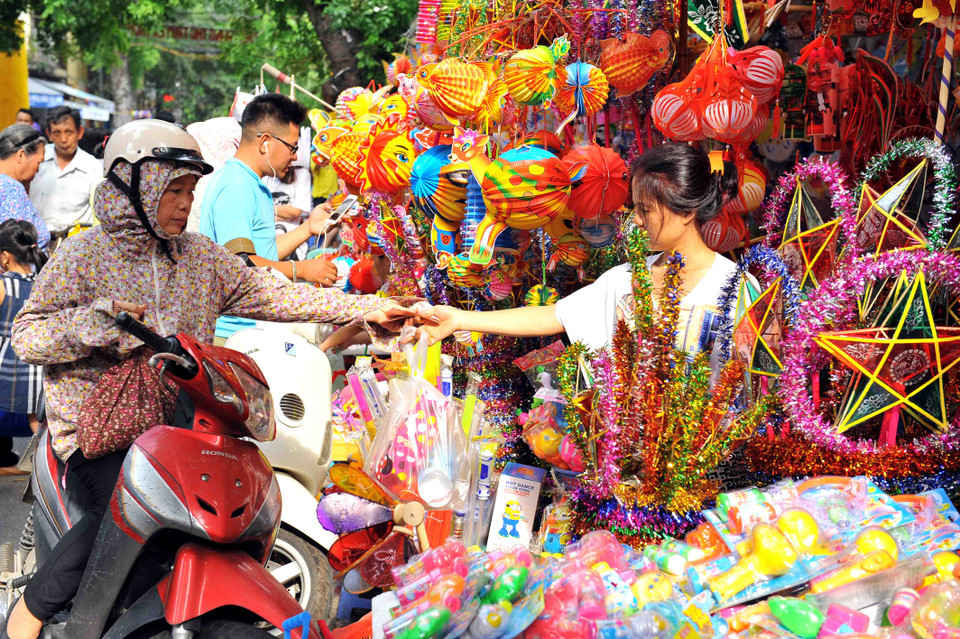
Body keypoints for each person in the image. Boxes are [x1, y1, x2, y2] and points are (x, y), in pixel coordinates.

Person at [2, 119, 420, 639]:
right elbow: (27, 336)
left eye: (189, 191)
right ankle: (35, 609)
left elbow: (278, 296)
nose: (184, 203)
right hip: (98, 431)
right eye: (172, 190)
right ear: (135, 185)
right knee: (130, 500)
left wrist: (371, 309)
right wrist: (95, 324)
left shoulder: (200, 259)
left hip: (186, 428)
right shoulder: (83, 256)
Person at [420, 143, 747, 376]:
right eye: (635, 208)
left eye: (645, 209)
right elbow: (555, 315)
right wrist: (460, 319)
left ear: (687, 211)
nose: (635, 221)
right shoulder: (627, 279)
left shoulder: (736, 288)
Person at [200, 93, 340, 342]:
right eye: (292, 147)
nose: (295, 156)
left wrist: (309, 227)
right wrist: (301, 270)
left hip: (253, 325)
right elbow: (242, 264)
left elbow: (263, 254)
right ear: (265, 141)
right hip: (235, 333)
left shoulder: (249, 182)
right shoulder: (237, 185)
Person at [0, 220, 47, 477]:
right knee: (36, 420)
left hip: (7, 362)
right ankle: (45, 464)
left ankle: (6, 462)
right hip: (34, 362)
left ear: (5, 256)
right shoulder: (43, 281)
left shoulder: (3, 284)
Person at [28, 106, 102, 248]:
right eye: (57, 133)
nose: (63, 139)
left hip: (76, 247)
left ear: (79, 132)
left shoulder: (93, 167)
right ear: (49, 134)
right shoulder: (36, 161)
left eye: (69, 132)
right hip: (36, 245)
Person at [0, 125, 49, 249]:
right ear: (21, 155)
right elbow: (16, 249)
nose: (38, 170)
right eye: (38, 162)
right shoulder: (12, 189)